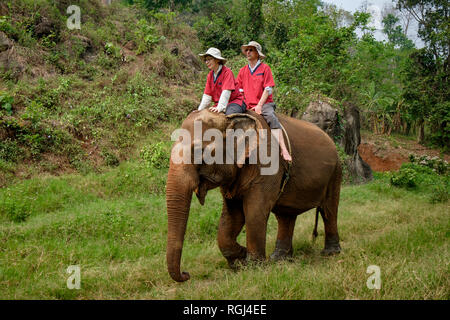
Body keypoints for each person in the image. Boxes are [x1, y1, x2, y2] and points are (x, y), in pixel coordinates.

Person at [237, 41, 292, 162]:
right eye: (247, 50)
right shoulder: (242, 71)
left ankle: (284, 149)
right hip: (248, 104)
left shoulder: (265, 68)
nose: (248, 52)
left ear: (257, 53)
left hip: (264, 103)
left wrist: (259, 106)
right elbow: (239, 91)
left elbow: (268, 89)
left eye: (251, 50)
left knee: (271, 117)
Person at [197, 47, 246, 114]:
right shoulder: (210, 75)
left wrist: (220, 107)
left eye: (209, 59)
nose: (207, 62)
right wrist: (199, 111)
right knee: (202, 118)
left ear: (217, 60)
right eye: (206, 60)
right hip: (218, 103)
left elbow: (226, 92)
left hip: (235, 102)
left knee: (229, 114)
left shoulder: (227, 72)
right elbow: (207, 96)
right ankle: (197, 124)